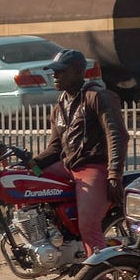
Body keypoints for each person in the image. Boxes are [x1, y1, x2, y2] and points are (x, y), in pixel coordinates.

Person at [31, 49, 128, 256]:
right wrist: (30, 165)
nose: (55, 76)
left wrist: (114, 175)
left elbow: (117, 135)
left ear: (77, 72)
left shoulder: (97, 96)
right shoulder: (60, 105)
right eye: (53, 72)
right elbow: (56, 148)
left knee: (89, 223)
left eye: (60, 71)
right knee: (27, 181)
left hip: (93, 167)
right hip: (68, 166)